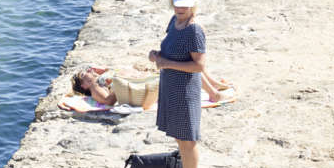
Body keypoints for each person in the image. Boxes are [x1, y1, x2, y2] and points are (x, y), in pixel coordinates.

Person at [150, 0, 208, 168]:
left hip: (185, 91)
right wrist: (156, 55)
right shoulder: (174, 22)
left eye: (184, 5)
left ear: (194, 5)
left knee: (188, 140)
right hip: (171, 88)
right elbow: (169, 52)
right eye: (177, 4)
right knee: (179, 138)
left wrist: (166, 62)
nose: (180, 9)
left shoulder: (194, 30)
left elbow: (199, 66)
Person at [73, 62, 234, 108]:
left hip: (143, 81)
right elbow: (108, 101)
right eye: (85, 72)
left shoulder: (98, 79)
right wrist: (118, 85)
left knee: (188, 63)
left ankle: (214, 85)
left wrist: (105, 70)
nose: (90, 70)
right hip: (144, 88)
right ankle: (214, 94)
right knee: (186, 68)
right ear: (84, 84)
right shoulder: (94, 88)